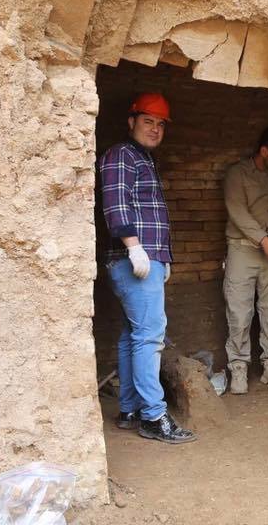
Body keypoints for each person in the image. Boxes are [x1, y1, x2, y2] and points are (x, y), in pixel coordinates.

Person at [99, 92, 196, 444]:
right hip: (134, 259)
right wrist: (136, 248)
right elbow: (115, 203)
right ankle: (154, 416)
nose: (155, 129)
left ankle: (129, 409)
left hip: (144, 258)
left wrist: (162, 257)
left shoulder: (142, 158)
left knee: (132, 335)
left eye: (160, 124)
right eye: (147, 121)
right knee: (150, 336)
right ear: (131, 121)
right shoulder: (122, 155)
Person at [222, 126, 268, 394]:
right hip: (242, 249)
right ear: (264, 151)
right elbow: (237, 211)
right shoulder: (237, 174)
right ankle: (238, 367)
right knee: (239, 312)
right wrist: (264, 240)